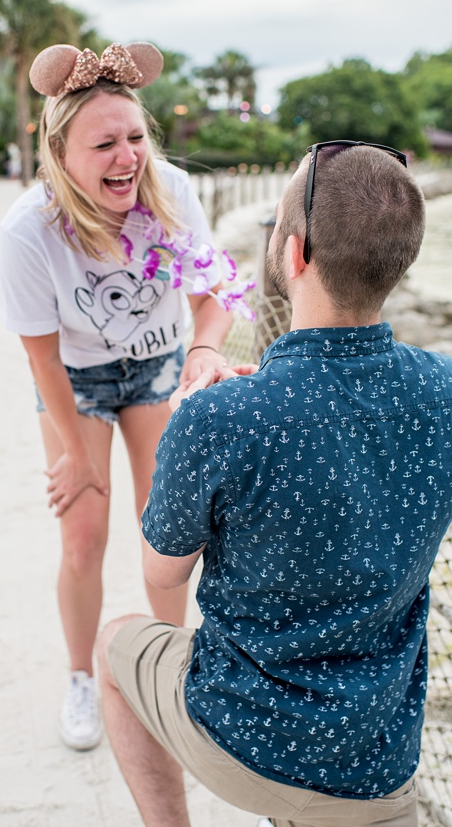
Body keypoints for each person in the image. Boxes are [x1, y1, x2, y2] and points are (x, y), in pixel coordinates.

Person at [97, 141, 452, 826]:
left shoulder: (221, 417)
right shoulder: (442, 391)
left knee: (115, 645)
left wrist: (191, 434)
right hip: (376, 763)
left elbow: (162, 574)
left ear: (292, 255)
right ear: (399, 265)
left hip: (247, 737)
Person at [0, 42, 237, 752]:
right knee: (83, 533)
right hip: (77, 380)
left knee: (166, 531)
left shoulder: (168, 192)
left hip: (160, 365)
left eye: (134, 137)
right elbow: (41, 360)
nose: (126, 157)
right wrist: (76, 454)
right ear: (60, 154)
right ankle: (81, 677)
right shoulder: (29, 231)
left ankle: (173, 674)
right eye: (103, 143)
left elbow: (216, 291)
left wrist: (205, 346)